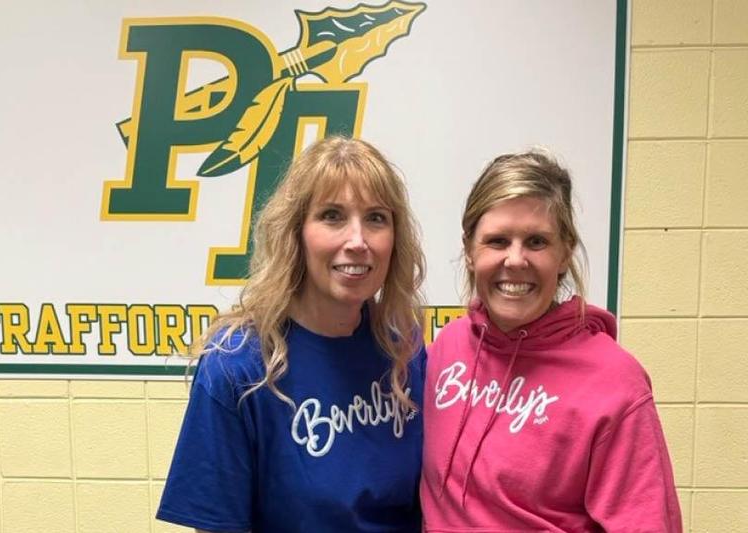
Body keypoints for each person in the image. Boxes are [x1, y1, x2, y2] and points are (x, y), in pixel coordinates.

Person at [157, 135, 427, 533]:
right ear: (296, 233)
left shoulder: (404, 349)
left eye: (376, 218)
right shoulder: (237, 367)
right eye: (332, 216)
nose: (358, 241)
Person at [420, 149, 682, 532]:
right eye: (497, 241)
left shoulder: (615, 383)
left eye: (537, 242)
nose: (515, 260)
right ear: (470, 251)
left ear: (565, 253)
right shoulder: (449, 347)